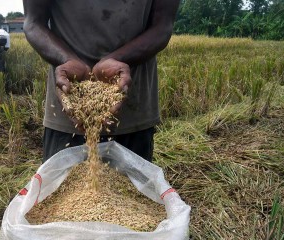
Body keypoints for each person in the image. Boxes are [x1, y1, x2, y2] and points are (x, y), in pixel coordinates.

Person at [23, 0, 180, 162]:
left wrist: (119, 59)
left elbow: (162, 27)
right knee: (62, 185)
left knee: (131, 186)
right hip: (68, 110)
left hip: (134, 111)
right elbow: (33, 23)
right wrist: (66, 59)